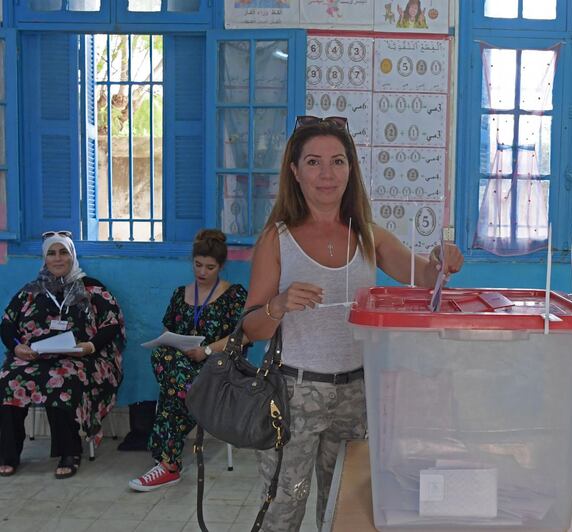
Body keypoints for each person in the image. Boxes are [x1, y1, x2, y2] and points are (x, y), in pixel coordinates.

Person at [243, 115, 463, 531]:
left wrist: (443, 259)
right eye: (313, 162)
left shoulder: (369, 235)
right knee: (281, 513)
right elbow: (251, 328)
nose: (327, 174)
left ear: (351, 169)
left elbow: (426, 277)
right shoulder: (277, 239)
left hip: (358, 394)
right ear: (294, 170)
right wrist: (280, 305)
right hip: (294, 394)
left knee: (345, 512)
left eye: (338, 161)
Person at [129, 229, 247, 491]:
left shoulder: (234, 294)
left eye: (209, 267)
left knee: (171, 396)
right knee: (162, 354)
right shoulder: (180, 293)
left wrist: (205, 351)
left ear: (221, 266)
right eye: (197, 265)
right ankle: (195, 399)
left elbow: (244, 337)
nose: (202, 272)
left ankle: (168, 465)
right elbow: (166, 332)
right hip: (181, 367)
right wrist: (174, 343)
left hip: (217, 366)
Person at [0, 231, 125, 478]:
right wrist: (16, 347)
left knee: (63, 379)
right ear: (44, 258)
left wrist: (90, 346)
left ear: (72, 255)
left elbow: (112, 323)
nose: (58, 259)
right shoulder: (30, 291)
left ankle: (70, 452)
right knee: (6, 381)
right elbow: (7, 324)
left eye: (63, 252)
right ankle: (8, 454)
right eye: (52, 253)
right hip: (34, 357)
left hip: (79, 356)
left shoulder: (92, 288)